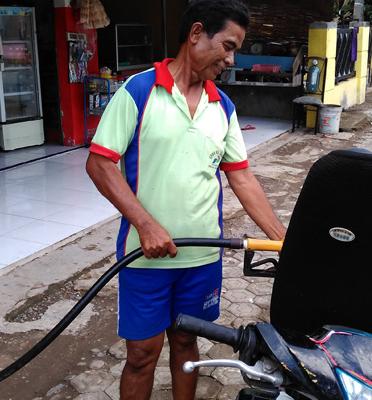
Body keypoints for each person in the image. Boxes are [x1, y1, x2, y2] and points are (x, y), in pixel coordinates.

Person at [86, 1, 286, 399]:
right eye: (227, 46)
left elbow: (241, 177)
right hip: (145, 258)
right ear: (196, 34)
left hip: (203, 258)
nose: (230, 59)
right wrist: (146, 224)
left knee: (186, 345)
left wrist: (284, 238)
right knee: (142, 354)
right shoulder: (139, 91)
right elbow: (100, 164)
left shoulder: (222, 106)